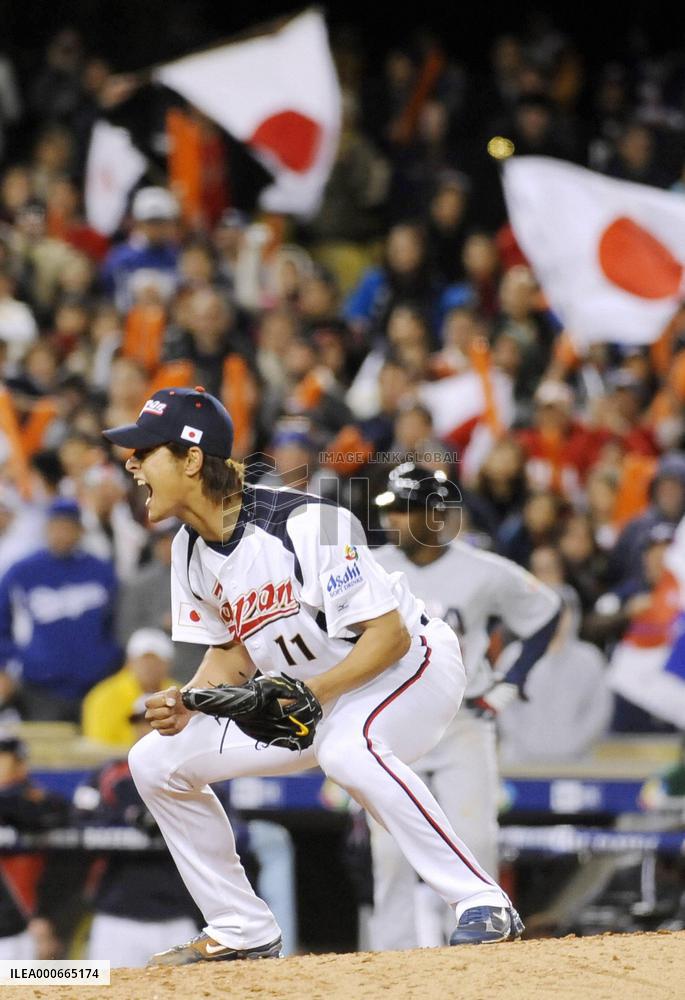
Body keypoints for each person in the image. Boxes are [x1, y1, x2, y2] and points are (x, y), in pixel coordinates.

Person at [102, 386, 523, 966]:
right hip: (314, 698)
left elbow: (388, 635)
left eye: (144, 452)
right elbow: (231, 653)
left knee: (349, 750)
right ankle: (240, 927)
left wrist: (314, 693)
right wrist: (191, 701)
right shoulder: (189, 550)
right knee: (154, 760)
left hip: (410, 668)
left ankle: (482, 900)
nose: (132, 464)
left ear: (192, 459)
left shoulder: (307, 522)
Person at [368, 463, 560, 949]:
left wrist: (511, 682)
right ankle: (389, 969)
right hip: (390, 725)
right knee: (389, 857)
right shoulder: (370, 566)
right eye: (391, 511)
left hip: (461, 723)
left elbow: (546, 611)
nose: (393, 522)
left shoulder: (483, 570)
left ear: (435, 515)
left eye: (405, 511)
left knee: (477, 844)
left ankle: (488, 956)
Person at [0, 498, 120, 721]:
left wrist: (106, 658)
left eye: (68, 526)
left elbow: (117, 622)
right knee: (45, 752)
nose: (62, 533)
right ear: (47, 528)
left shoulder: (100, 570)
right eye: (57, 526)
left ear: (80, 530)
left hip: (94, 685)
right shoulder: (23, 571)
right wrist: (16, 661)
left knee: (93, 751)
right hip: (40, 688)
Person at [82, 628, 175, 749]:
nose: (149, 667)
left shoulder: (178, 694)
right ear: (129, 662)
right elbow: (98, 746)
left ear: (168, 665)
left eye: (156, 662)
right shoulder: (104, 697)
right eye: (143, 661)